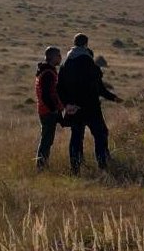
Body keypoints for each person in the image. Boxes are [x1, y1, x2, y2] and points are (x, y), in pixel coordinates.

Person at [57, 32, 120, 175]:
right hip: (91, 107)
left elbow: (59, 87)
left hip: (73, 108)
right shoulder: (88, 62)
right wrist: (113, 97)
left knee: (76, 137)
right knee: (100, 134)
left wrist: (67, 104)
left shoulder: (66, 63)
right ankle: (103, 165)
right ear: (86, 44)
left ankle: (75, 168)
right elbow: (98, 87)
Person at [33, 46, 63, 170]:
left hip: (45, 110)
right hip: (47, 111)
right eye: (58, 55)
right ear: (52, 57)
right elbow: (46, 95)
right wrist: (54, 109)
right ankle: (41, 167)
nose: (60, 58)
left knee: (47, 139)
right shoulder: (48, 74)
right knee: (46, 140)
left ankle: (42, 165)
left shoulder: (45, 71)